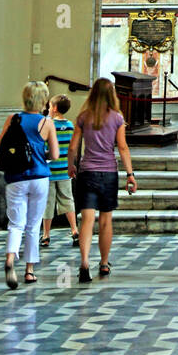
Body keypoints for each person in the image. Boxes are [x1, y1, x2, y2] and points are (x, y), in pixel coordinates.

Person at [68, 77, 137, 284]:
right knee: (106, 220)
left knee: (87, 219)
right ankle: (105, 263)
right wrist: (130, 174)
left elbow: (73, 146)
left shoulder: (83, 117)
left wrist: (71, 165)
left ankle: (84, 262)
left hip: (87, 171)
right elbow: (123, 147)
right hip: (108, 173)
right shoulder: (117, 118)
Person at [0, 81, 59, 290]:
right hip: (39, 177)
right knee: (33, 226)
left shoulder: (13, 119)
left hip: (15, 178)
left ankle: (10, 259)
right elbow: (56, 154)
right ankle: (29, 270)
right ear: (43, 100)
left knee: (15, 224)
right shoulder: (46, 122)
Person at [40, 95, 78, 249]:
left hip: (48, 171)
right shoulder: (70, 125)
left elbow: (43, 146)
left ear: (54, 109)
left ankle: (46, 235)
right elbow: (72, 148)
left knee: (47, 204)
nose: (48, 109)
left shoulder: (48, 124)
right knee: (68, 200)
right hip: (64, 170)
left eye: (49, 106)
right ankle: (74, 230)